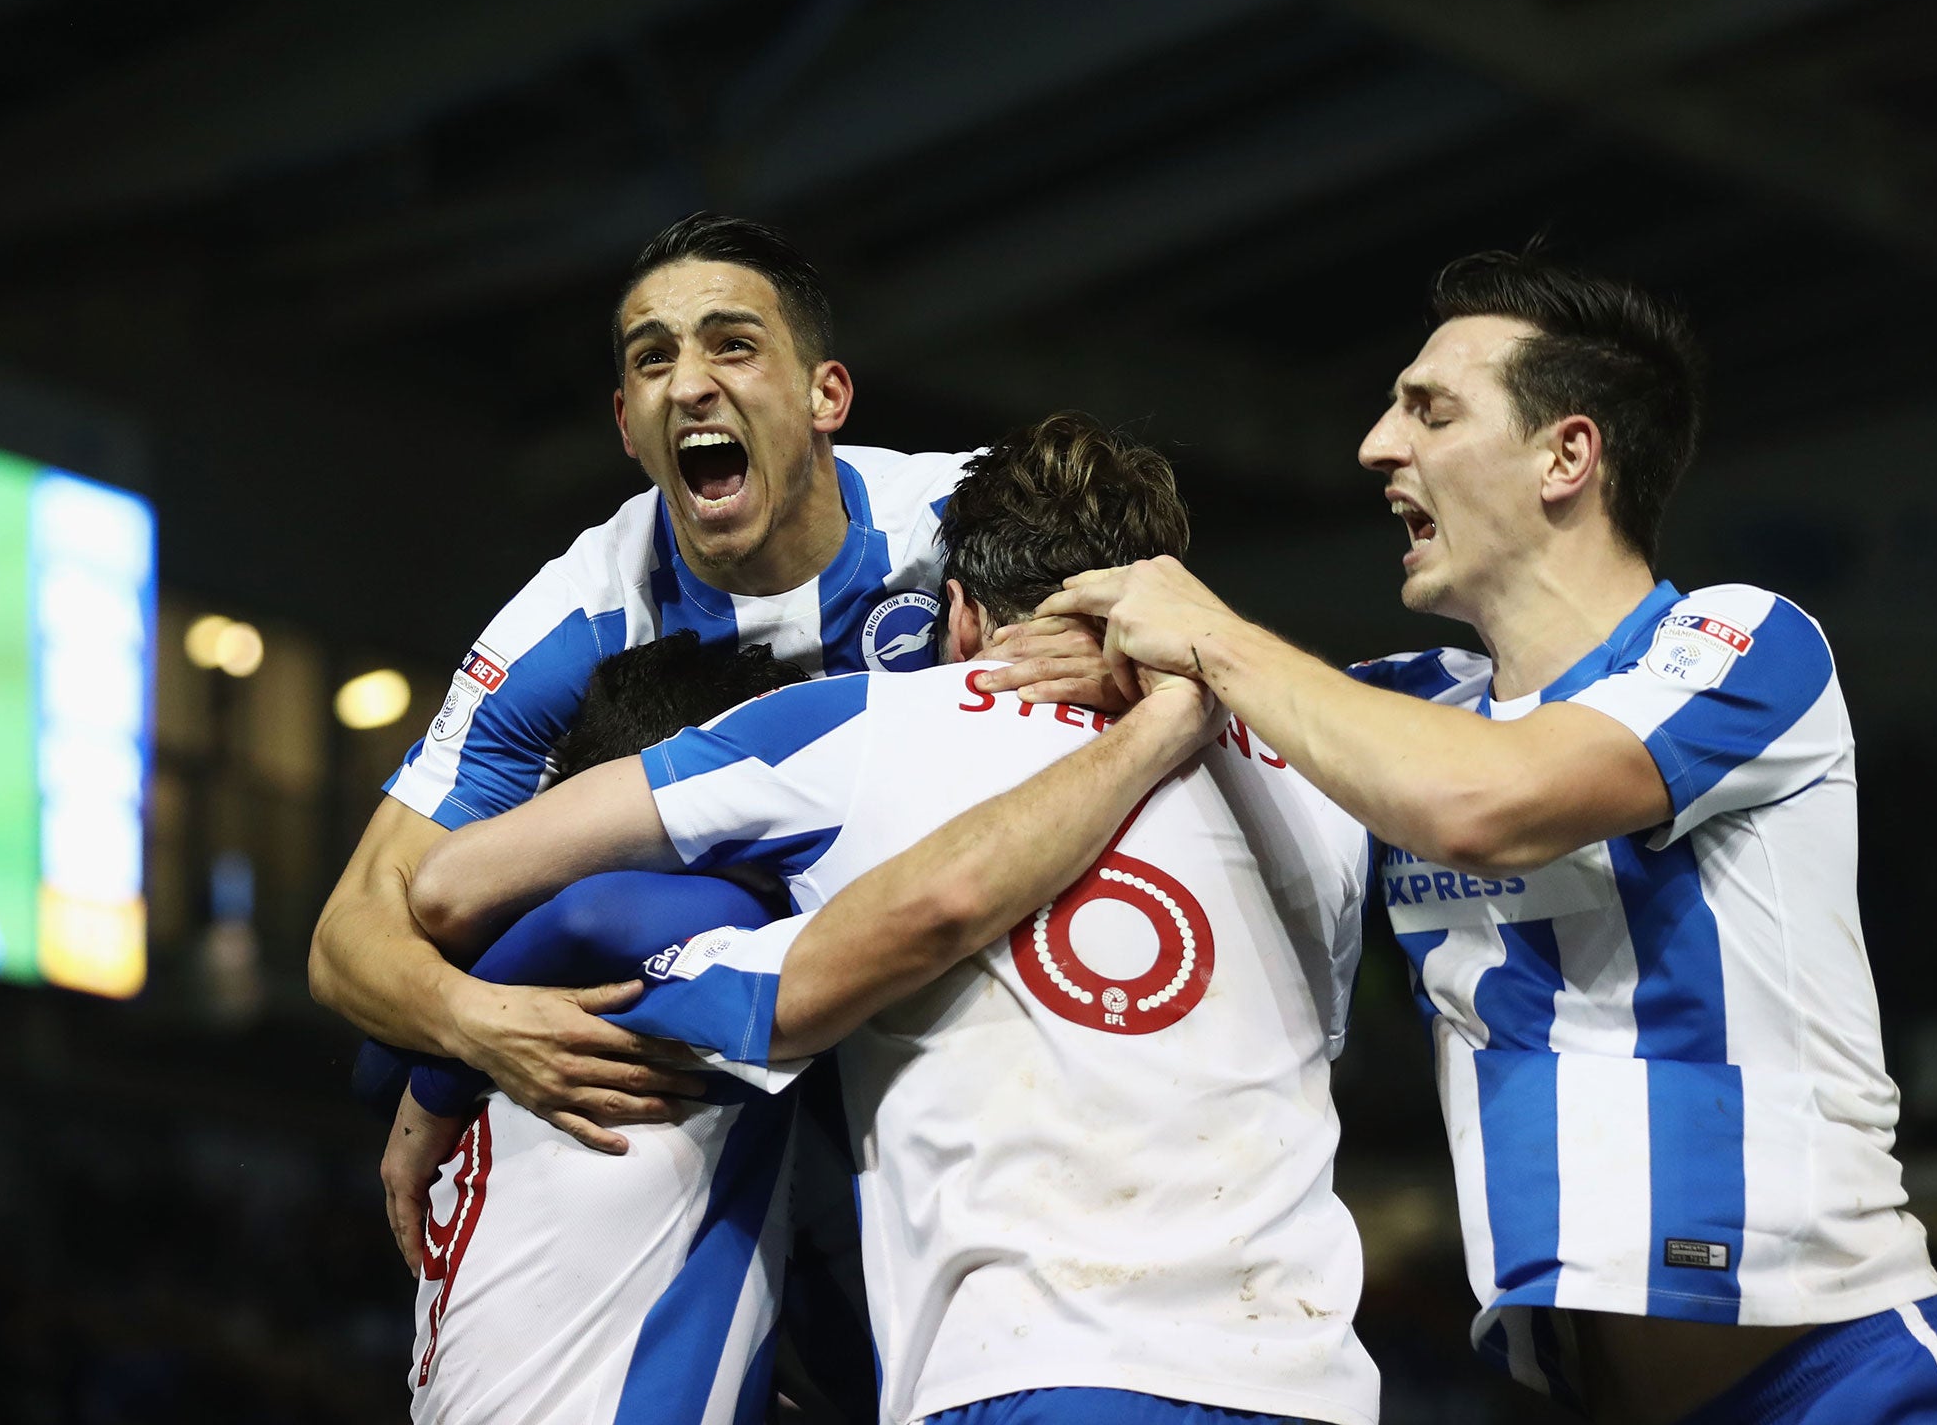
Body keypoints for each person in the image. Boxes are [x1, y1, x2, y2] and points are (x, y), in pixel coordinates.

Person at [977, 250, 1937, 1424]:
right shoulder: (1402, 710)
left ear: (1566, 455)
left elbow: (1486, 805)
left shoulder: (1741, 643)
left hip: (1846, 1379)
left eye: (1428, 409)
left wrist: (1210, 641)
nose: (1373, 445)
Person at [406, 415, 1381, 1425]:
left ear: (957, 615)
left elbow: (459, 883)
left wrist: (446, 1053)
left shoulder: (870, 722)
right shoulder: (1316, 779)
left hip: (1026, 1369)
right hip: (1308, 1379)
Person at [310, 210, 1014, 1150]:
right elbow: (351, 932)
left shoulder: (958, 518)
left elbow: (1166, 605)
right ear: (627, 430)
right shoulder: (574, 621)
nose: (689, 385)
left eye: (733, 346)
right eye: (652, 360)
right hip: (721, 1063)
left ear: (825, 395)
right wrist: (472, 1028)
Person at [378, 629, 822, 1425]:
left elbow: (373, 1063)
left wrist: (432, 1079)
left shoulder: (468, 1014)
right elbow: (597, 912)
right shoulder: (692, 964)